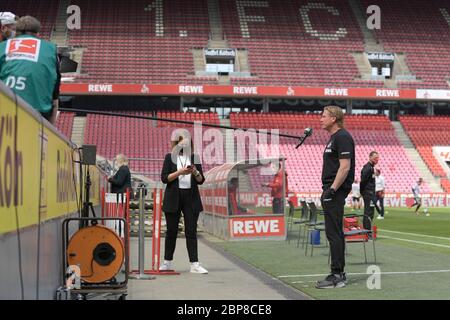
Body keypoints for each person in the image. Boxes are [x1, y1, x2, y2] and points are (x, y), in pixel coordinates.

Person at [316, 106, 355, 289]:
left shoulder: (342, 137)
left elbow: (345, 167)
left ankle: (337, 275)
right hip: (331, 190)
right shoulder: (334, 138)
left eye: (323, 116)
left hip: (335, 191)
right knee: (333, 233)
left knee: (334, 233)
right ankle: (337, 273)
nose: (320, 119)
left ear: (333, 118)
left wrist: (331, 190)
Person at [159, 131, 208, 274]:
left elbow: (201, 180)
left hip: (191, 198)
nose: (184, 145)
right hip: (173, 197)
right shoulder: (169, 157)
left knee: (191, 231)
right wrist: (180, 172)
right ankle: (167, 262)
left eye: (187, 143)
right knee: (171, 231)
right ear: (176, 144)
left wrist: (195, 172)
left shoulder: (195, 157)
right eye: (182, 143)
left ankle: (194, 264)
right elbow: (164, 178)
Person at [0, 16, 61, 124]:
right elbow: (55, 93)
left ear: (16, 31)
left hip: (5, 108)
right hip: (38, 114)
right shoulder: (50, 49)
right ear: (38, 33)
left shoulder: (2, 46)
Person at [360, 151, 379, 231]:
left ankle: (367, 230)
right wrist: (362, 191)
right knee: (368, 212)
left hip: (370, 193)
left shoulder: (371, 167)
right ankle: (366, 231)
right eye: (375, 158)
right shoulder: (367, 168)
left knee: (370, 212)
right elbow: (363, 180)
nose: (377, 159)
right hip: (368, 193)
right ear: (370, 157)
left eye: (377, 158)